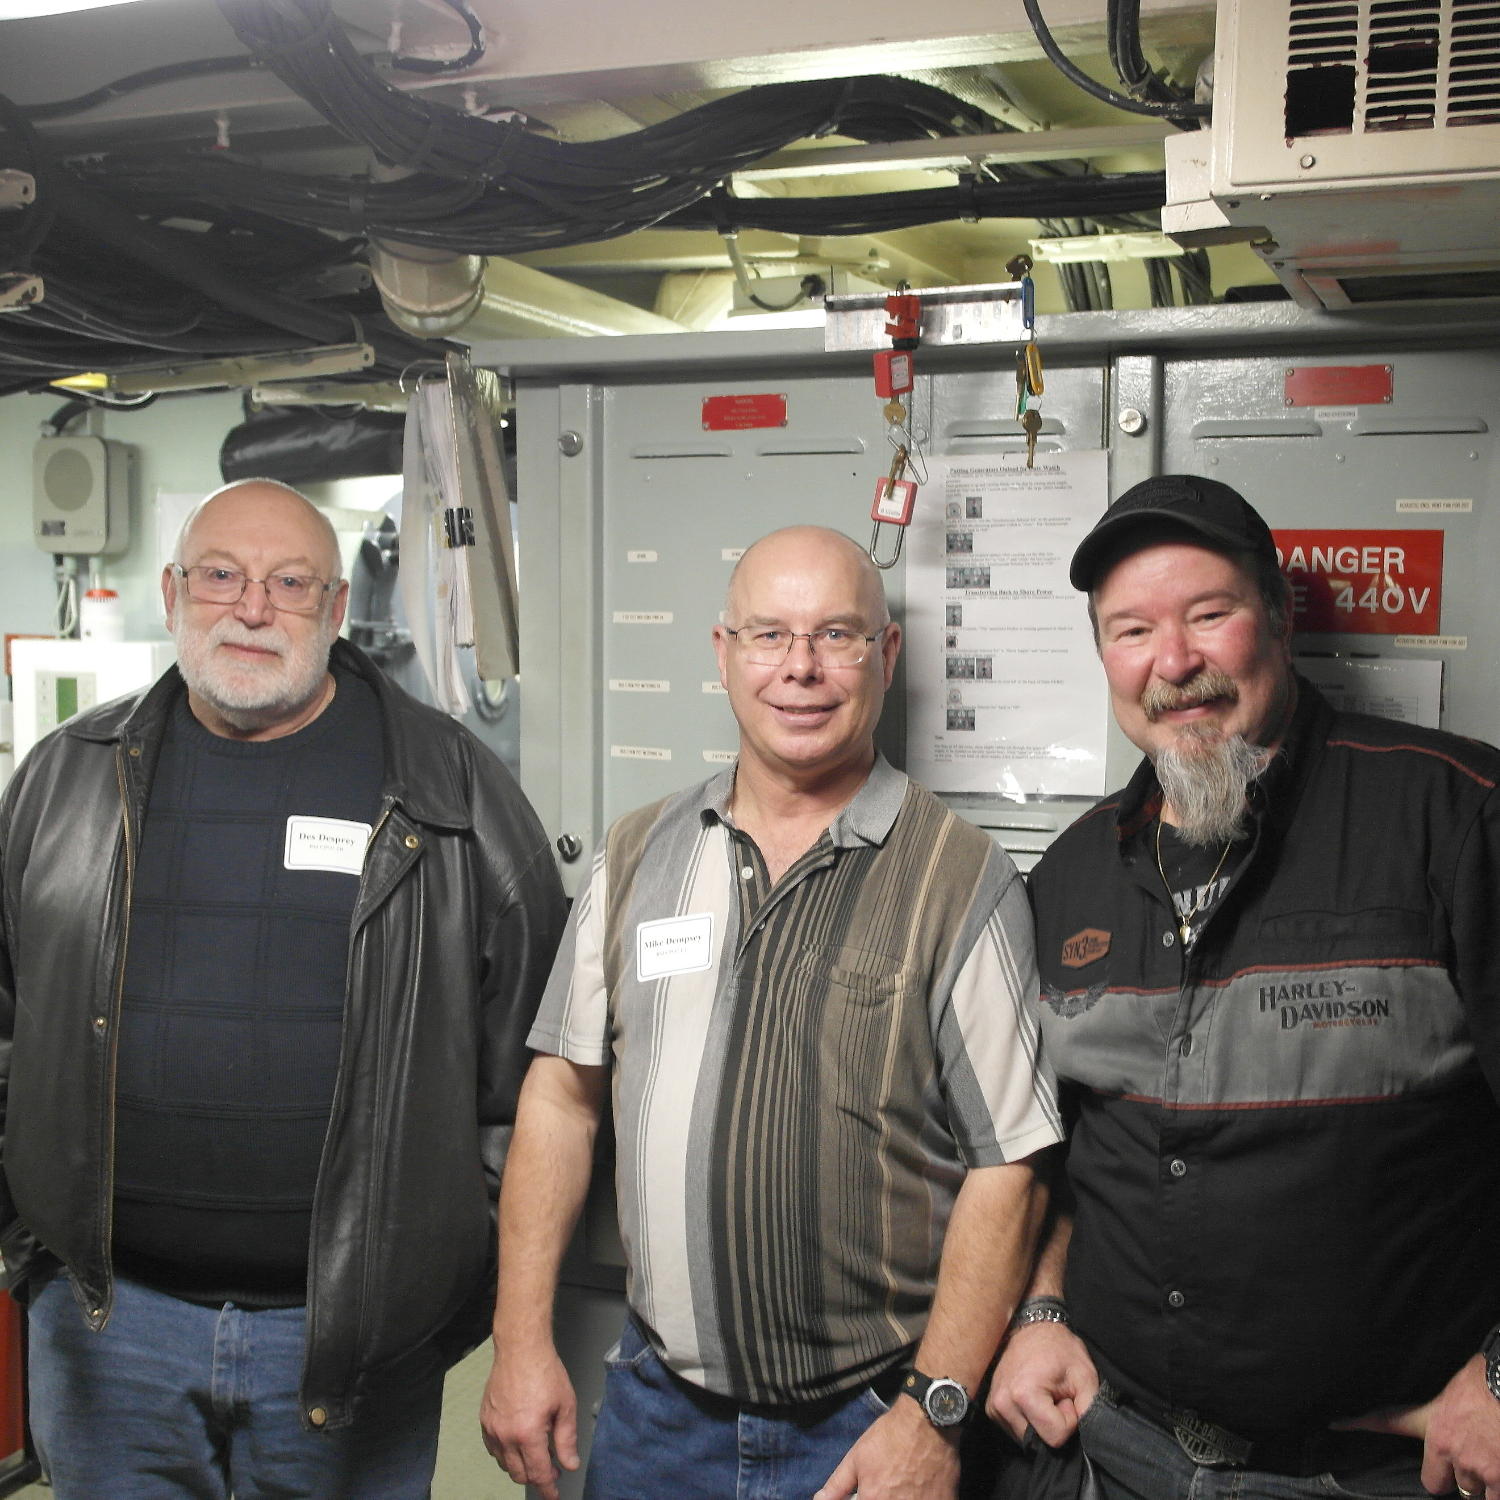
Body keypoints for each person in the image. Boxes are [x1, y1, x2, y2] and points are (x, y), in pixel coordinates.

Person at [0, 478, 567, 1499]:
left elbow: (534, 1073)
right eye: (221, 575)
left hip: (348, 1339)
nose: (251, 608)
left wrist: (443, 1265)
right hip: (108, 1326)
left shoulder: (454, 792)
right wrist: (28, 1242)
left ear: (337, 608)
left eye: (289, 583)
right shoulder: (62, 778)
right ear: (173, 592)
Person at [481, 525, 1061, 1500]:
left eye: (836, 636)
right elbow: (560, 1100)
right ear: (723, 653)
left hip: (872, 1425)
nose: (800, 669)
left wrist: (934, 1413)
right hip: (657, 1415)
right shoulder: (637, 854)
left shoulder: (961, 877)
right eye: (769, 636)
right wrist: (520, 1338)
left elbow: (1015, 1168)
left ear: (885, 656)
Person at [987, 474, 1500, 1499]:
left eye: (1208, 616)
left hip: (1379, 1471)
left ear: (1281, 615)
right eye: (1132, 631)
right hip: (1117, 1453)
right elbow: (1063, 1147)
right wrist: (1041, 1311)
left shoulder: (1455, 815)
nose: (1173, 664)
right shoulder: (1074, 873)